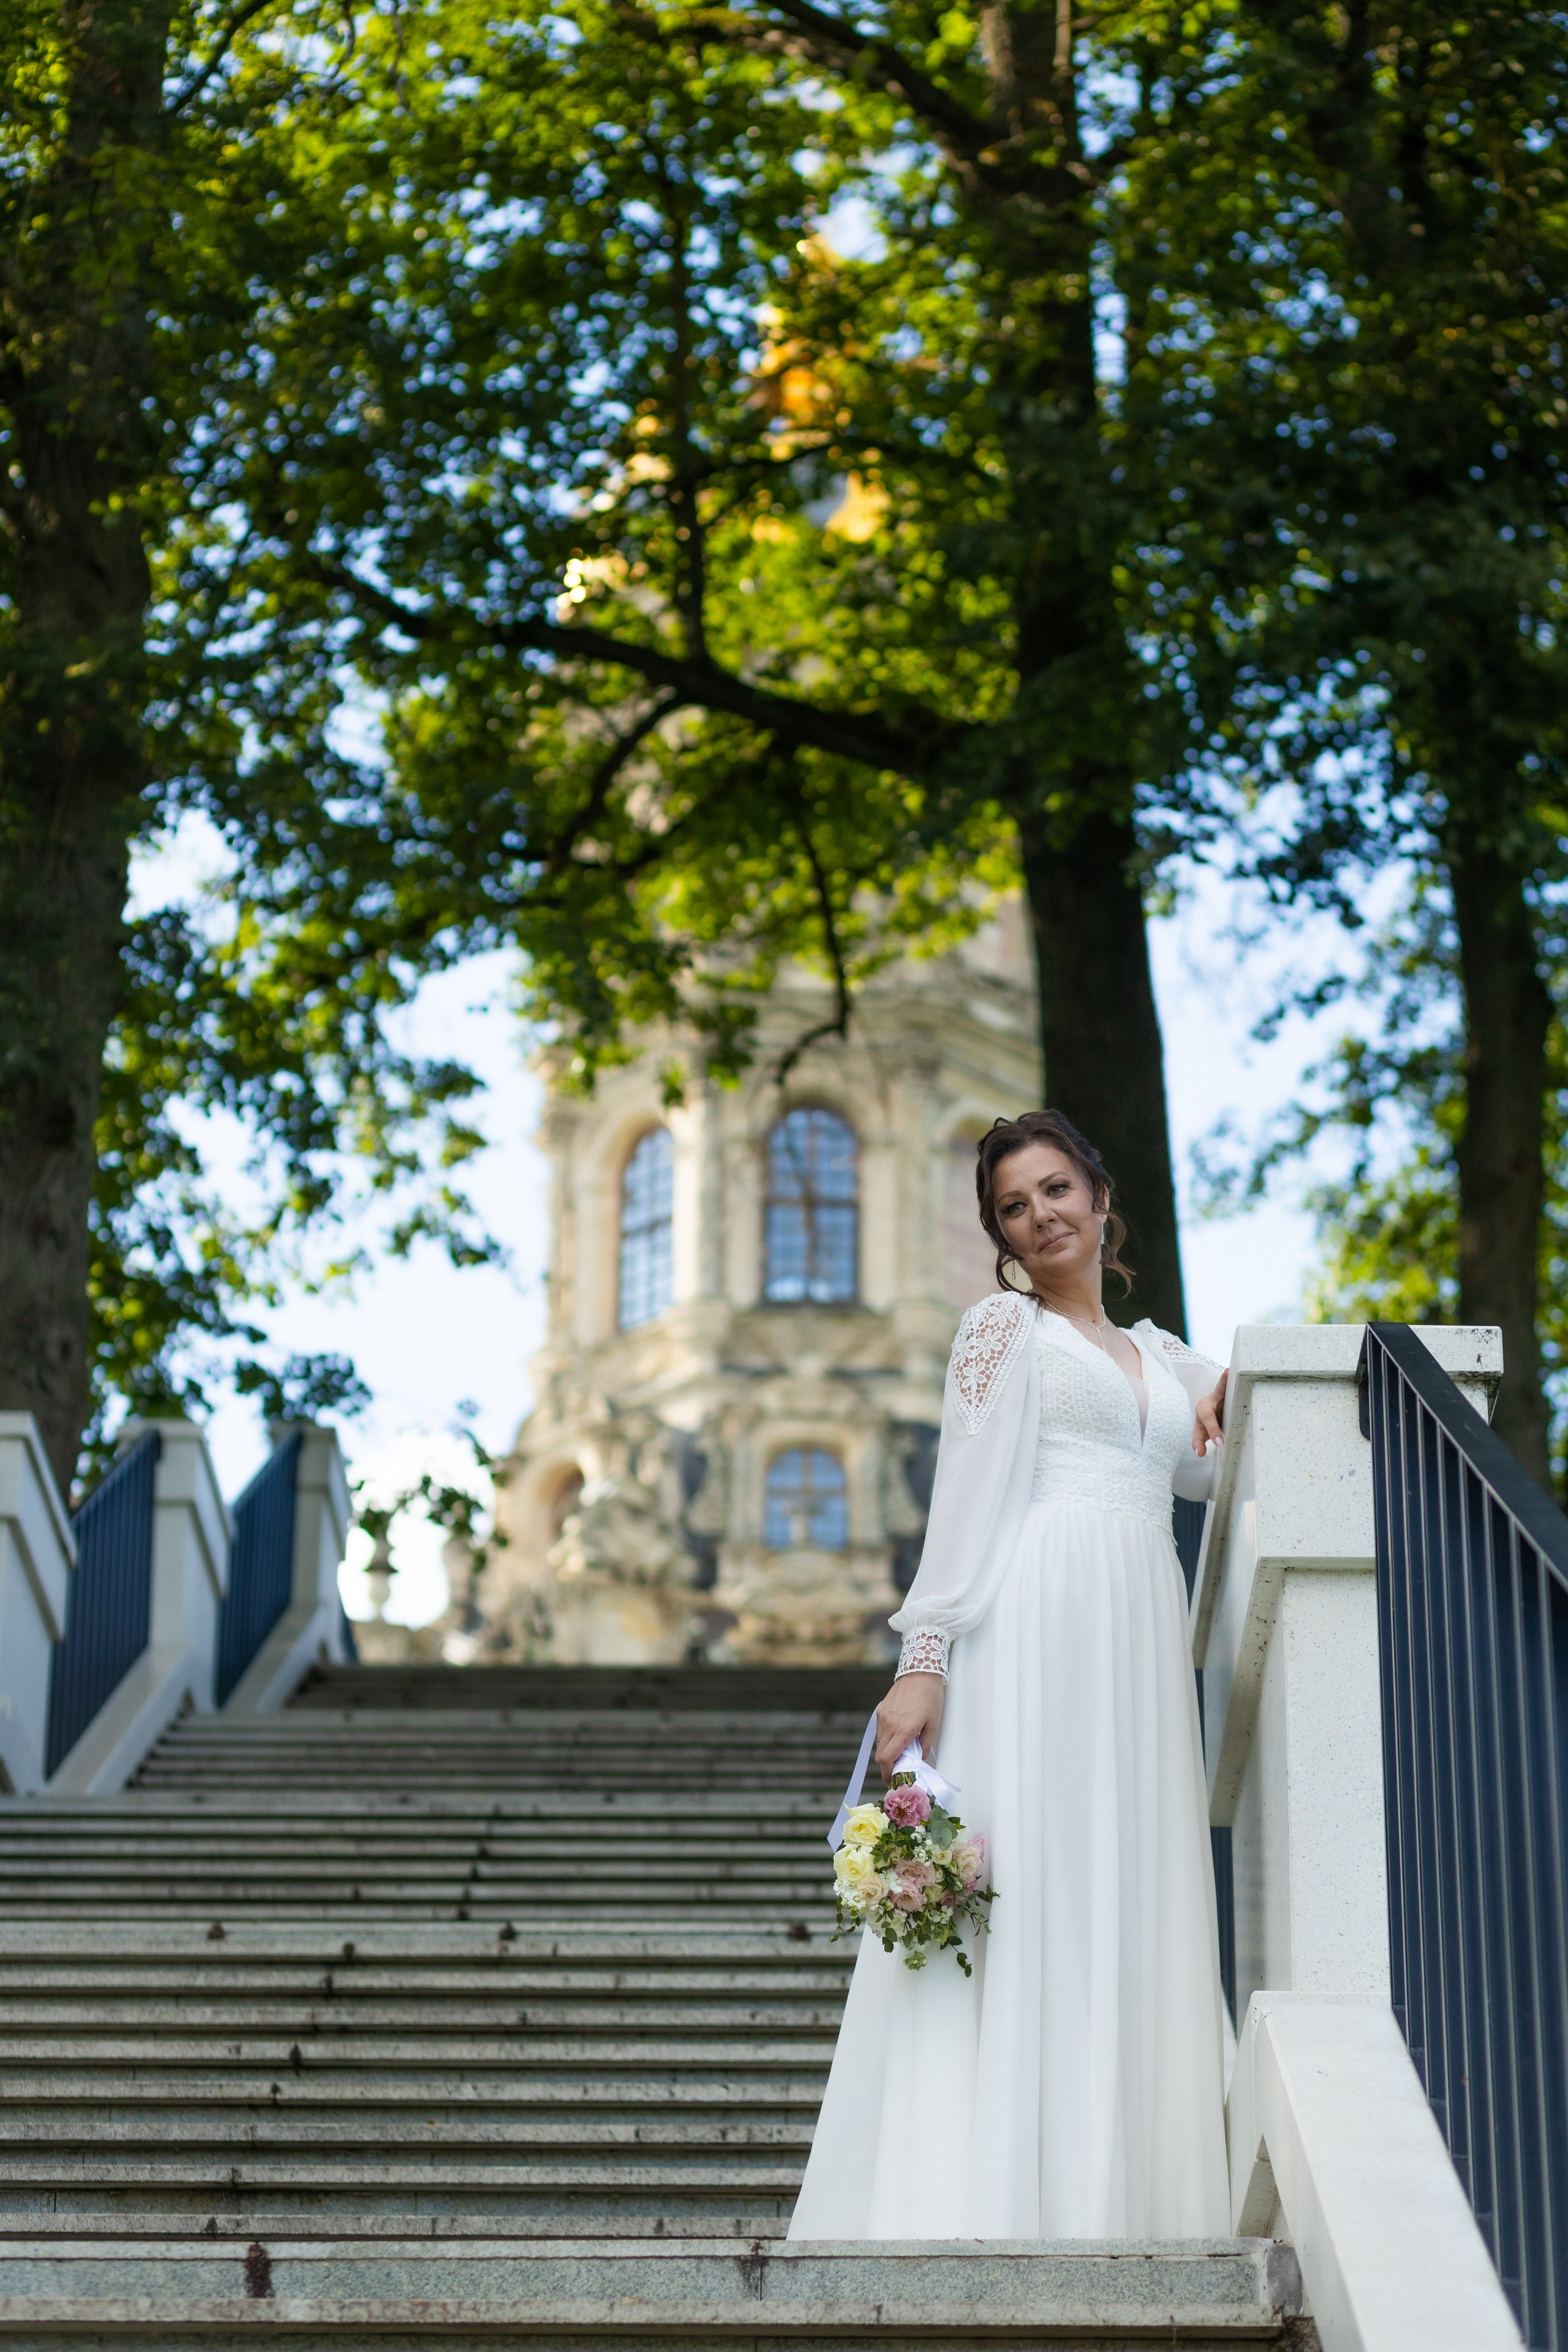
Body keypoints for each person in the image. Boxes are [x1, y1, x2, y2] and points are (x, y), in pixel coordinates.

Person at [788, 1110, 1232, 2242]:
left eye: (1055, 1191)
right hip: (1034, 1617)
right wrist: (923, 1660)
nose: (1041, 1218)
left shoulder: (1169, 1357)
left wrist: (1254, 1388)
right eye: (1014, 1209)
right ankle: (981, 2187)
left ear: (1097, 1192)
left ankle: (1114, 2191)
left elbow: (1211, 1464)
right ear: (1001, 1236)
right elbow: (968, 1501)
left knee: (1123, 1876)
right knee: (1033, 1879)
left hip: (1139, 1632)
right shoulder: (1002, 1332)